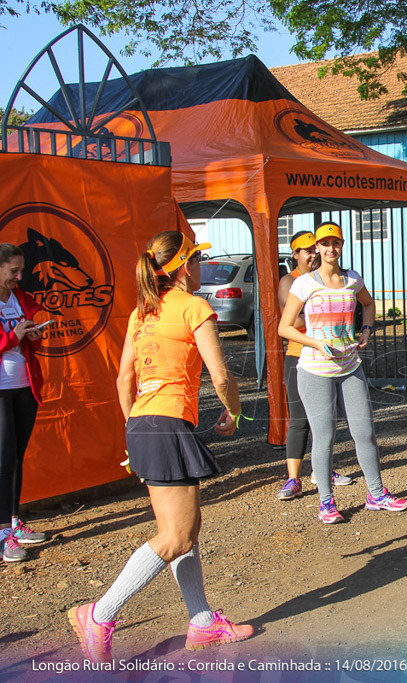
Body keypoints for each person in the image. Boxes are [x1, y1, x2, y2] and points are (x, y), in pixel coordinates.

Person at [69, 232, 253, 663]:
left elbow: (122, 381)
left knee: (185, 531)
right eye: (198, 260)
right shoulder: (194, 307)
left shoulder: (141, 313)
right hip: (167, 423)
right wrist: (233, 412)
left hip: (143, 423)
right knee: (176, 535)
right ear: (185, 266)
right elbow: (222, 376)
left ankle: (203, 622)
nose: (202, 267)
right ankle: (99, 613)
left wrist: (136, 428)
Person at [279, 221, 407, 525]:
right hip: (315, 370)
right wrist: (315, 342)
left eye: (335, 242)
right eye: (324, 244)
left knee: (364, 431)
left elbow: (369, 303)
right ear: (317, 248)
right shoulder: (304, 283)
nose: (330, 249)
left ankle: (376, 494)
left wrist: (366, 329)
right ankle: (326, 502)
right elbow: (284, 327)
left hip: (350, 366)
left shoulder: (352, 279)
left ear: (342, 245)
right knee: (324, 437)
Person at [276, 230, 351, 501]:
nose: (312, 253)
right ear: (295, 254)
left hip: (330, 358)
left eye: (313, 248)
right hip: (299, 355)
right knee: (299, 420)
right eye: (306, 250)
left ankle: (323, 470)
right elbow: (292, 322)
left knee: (326, 420)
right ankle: (293, 479)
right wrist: (326, 318)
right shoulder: (291, 281)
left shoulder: (328, 279)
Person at [0, 243, 46, 563]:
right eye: (13, 271)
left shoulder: (22, 299)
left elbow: (27, 340)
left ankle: (14, 523)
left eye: (20, 270)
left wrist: (32, 334)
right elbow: (8, 340)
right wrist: (14, 336)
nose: (19, 276)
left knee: (16, 458)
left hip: (24, 386)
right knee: (2, 460)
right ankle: (3, 534)